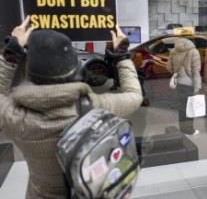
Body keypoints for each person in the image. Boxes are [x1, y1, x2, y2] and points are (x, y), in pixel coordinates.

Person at [0, 16, 143, 199]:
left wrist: (11, 51)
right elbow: (134, 95)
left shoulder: (15, 117)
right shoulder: (94, 106)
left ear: (31, 73)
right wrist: (122, 53)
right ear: (75, 69)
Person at [166, 37, 201, 136]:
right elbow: (196, 71)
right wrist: (197, 86)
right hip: (190, 84)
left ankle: (182, 130)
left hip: (179, 83)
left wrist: (177, 74)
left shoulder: (173, 51)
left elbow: (168, 66)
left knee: (181, 107)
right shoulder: (194, 52)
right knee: (190, 107)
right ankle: (189, 130)